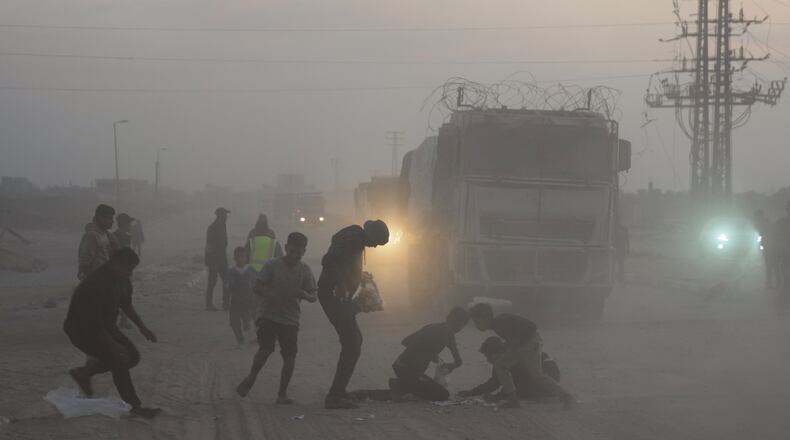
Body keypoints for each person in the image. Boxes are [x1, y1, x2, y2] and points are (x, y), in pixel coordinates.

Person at [63, 248, 161, 418]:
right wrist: (113, 344)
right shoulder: (96, 283)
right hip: (81, 329)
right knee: (119, 359)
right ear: (115, 264)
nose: (130, 274)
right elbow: (93, 322)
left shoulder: (122, 279)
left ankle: (84, 373)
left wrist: (142, 327)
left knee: (132, 356)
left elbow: (126, 304)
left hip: (105, 326)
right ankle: (135, 406)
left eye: (132, 270)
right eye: (128, 269)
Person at [236, 232, 317, 404]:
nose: (295, 255)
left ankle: (282, 394)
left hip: (290, 319)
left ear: (304, 252)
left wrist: (304, 294)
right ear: (286, 248)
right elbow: (257, 286)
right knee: (266, 349)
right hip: (268, 314)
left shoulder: (304, 270)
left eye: (299, 252)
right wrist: (270, 294)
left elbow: (313, 294)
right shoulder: (272, 265)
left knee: (290, 357)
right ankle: (251, 377)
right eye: (292, 251)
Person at [318, 220, 389, 409]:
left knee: (354, 342)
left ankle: (339, 392)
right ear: (371, 233)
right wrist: (340, 284)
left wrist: (360, 276)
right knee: (352, 344)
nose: (374, 246)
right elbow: (329, 259)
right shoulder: (353, 238)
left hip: (337, 296)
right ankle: (334, 397)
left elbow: (344, 262)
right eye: (376, 242)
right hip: (333, 296)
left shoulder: (354, 238)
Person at [468, 303, 574, 409]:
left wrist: (516, 342)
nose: (476, 325)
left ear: (486, 317)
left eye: (477, 321)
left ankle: (566, 395)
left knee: (536, 375)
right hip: (521, 346)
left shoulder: (501, 321)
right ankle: (513, 400)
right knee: (500, 366)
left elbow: (532, 326)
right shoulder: (498, 324)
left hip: (530, 343)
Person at [389, 307, 468, 402]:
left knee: (424, 387)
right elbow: (458, 361)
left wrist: (430, 354)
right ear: (460, 324)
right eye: (461, 325)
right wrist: (450, 366)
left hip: (399, 365)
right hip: (410, 371)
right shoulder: (448, 333)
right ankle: (399, 384)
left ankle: (403, 386)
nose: (460, 328)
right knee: (442, 394)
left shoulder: (431, 326)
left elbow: (405, 341)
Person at [458, 336, 561, 401]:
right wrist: (472, 392)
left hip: (548, 372)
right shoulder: (503, 360)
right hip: (548, 372)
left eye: (488, 356)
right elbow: (494, 382)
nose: (488, 360)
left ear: (497, 353)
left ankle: (548, 392)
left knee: (519, 392)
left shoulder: (511, 357)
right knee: (518, 390)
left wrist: (499, 396)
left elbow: (516, 382)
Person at [78, 204, 120, 280]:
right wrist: (85, 275)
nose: (112, 221)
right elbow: (86, 259)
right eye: (110, 218)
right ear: (101, 218)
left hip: (104, 277)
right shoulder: (92, 235)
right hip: (95, 279)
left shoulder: (106, 234)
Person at [226, 246, 258, 346]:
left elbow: (258, 283)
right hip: (236, 301)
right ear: (234, 258)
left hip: (249, 300)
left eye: (243, 256)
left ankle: (254, 334)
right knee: (233, 321)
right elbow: (227, 286)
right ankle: (240, 340)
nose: (241, 259)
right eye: (238, 256)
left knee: (250, 321)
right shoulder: (231, 271)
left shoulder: (251, 270)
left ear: (246, 257)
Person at [113, 213, 135, 330]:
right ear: (124, 224)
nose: (130, 225)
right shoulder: (114, 236)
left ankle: (123, 320)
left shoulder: (125, 236)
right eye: (129, 223)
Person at [205, 208, 231, 311]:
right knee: (212, 282)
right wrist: (211, 262)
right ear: (221, 216)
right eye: (225, 215)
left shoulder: (222, 226)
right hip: (215, 260)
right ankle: (208, 304)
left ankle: (226, 304)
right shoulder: (212, 228)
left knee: (227, 280)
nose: (227, 217)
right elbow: (209, 246)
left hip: (222, 258)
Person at [753, 210, 779, 289]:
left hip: (770, 246)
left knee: (771, 265)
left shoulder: (763, 224)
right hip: (770, 246)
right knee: (772, 265)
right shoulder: (765, 223)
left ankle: (773, 282)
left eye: (756, 217)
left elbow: (760, 230)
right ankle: (775, 282)